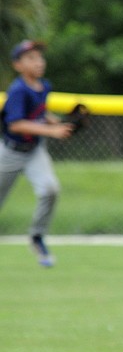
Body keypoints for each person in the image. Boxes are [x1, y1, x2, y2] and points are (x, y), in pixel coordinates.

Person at [0, 40, 73, 267]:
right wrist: (52, 130)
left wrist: (60, 122)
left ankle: (37, 236)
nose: (38, 61)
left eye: (40, 57)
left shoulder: (44, 86)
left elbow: (39, 114)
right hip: (10, 152)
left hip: (34, 152)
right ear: (17, 65)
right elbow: (16, 125)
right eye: (31, 58)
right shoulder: (18, 90)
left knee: (50, 189)